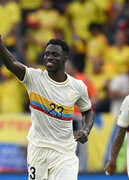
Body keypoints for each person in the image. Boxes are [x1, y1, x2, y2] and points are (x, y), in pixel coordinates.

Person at [0, 35, 94, 180]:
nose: (49, 57)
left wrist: (86, 130)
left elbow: (88, 111)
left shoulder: (77, 87)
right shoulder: (34, 78)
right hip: (38, 150)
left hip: (65, 153)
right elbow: (11, 63)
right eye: (47, 54)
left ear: (65, 58)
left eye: (55, 54)